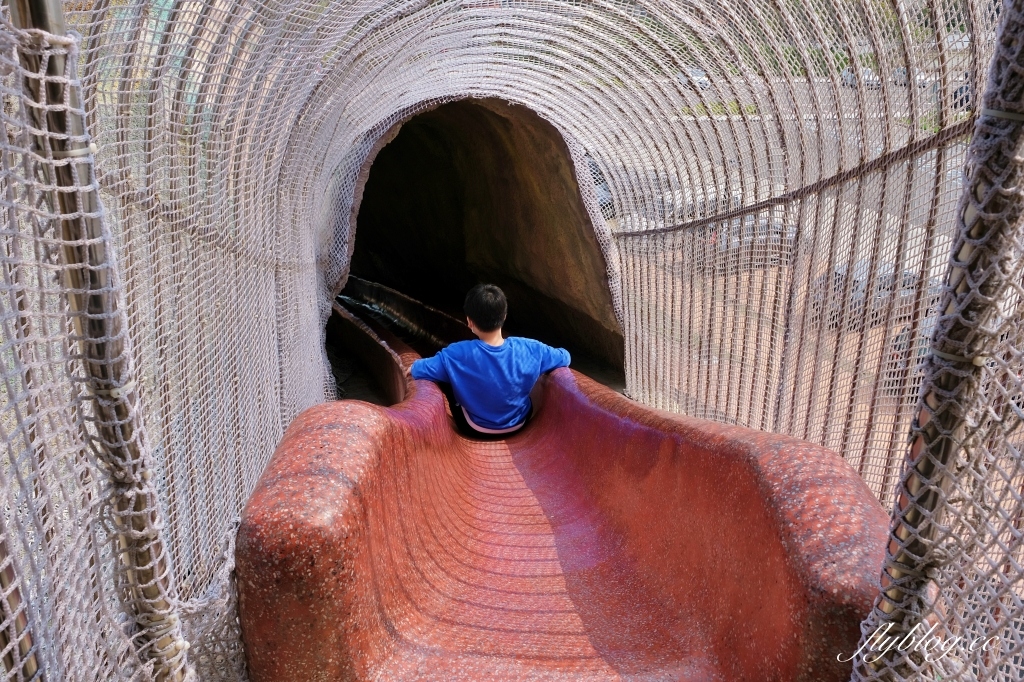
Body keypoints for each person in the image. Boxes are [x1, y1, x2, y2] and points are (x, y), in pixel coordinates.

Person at [410, 284, 570, 438]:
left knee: (447, 377)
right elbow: (565, 357)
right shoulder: (531, 348)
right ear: (504, 317)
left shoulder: (456, 353)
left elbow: (420, 370)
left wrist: (412, 367)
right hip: (518, 423)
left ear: (469, 321)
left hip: (474, 427)